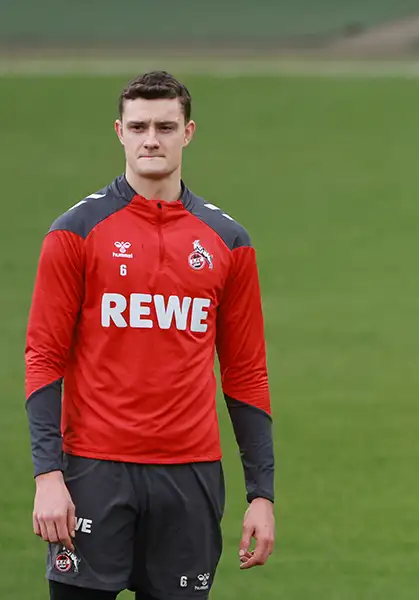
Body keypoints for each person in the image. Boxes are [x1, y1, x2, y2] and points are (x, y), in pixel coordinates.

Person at [25, 71, 276, 600]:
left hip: (191, 477)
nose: (151, 140)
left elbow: (246, 370)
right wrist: (48, 476)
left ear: (188, 133)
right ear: (119, 131)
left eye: (165, 126)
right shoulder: (75, 232)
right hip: (94, 471)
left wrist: (262, 494)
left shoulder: (228, 241)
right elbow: (44, 357)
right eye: (139, 126)